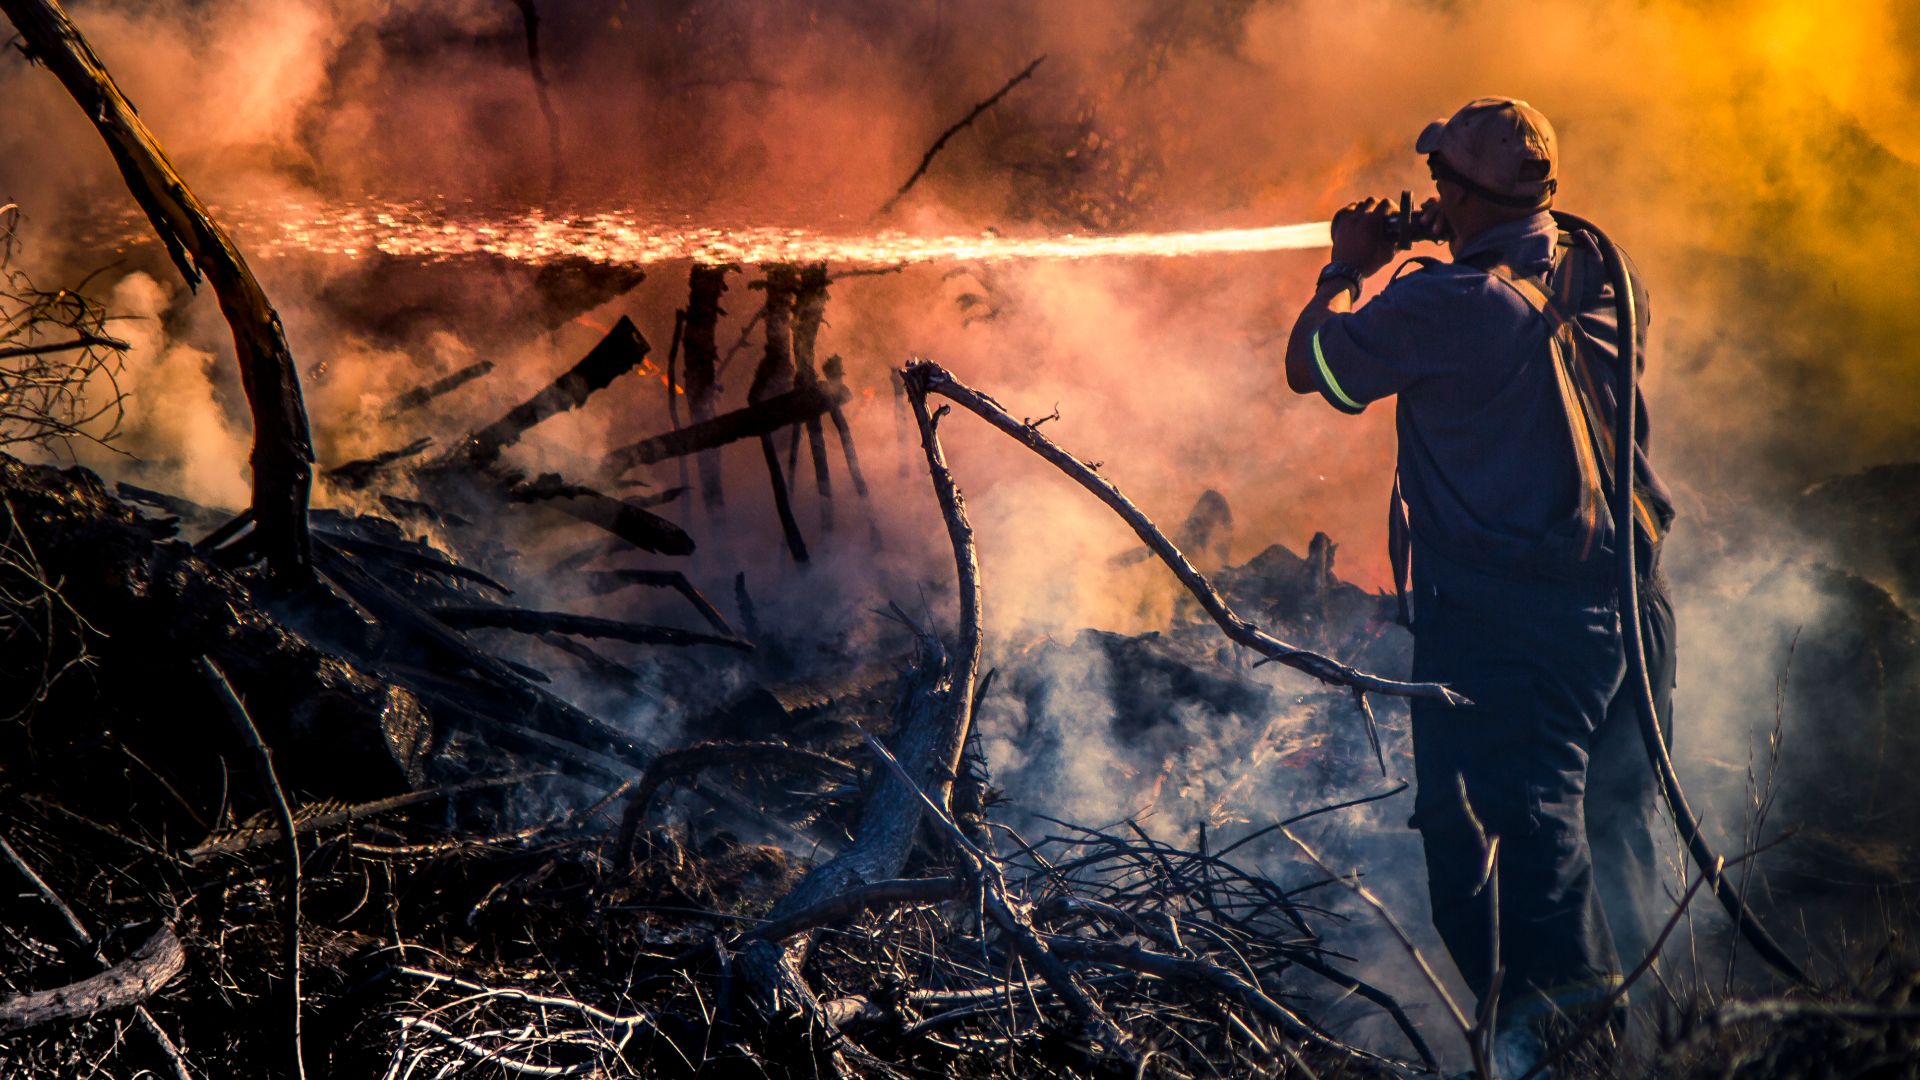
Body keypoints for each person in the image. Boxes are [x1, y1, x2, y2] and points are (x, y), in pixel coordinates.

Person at [1282, 98, 1678, 1075]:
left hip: (1514, 624)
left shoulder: (1444, 305)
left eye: (1437, 184)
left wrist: (1347, 266)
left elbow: (1317, 368)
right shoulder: (1592, 261)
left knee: (1502, 844)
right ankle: (1666, 1040)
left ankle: (1562, 1053)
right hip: (1631, 604)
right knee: (1613, 830)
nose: (1427, 195)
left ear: (1458, 190)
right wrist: (1448, 238)